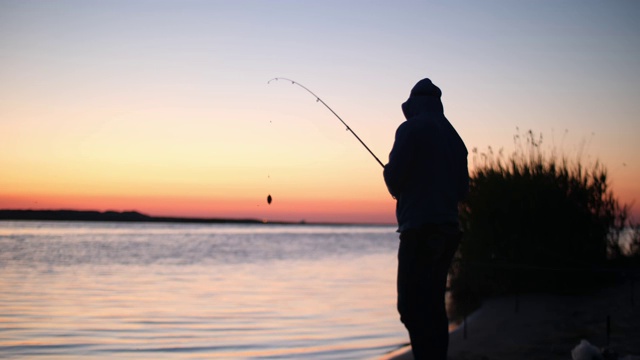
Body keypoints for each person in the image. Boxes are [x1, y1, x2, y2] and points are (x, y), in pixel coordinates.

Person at [383, 78, 469, 360]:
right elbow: (462, 191)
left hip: (418, 230)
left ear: (414, 105)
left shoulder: (410, 129)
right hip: (448, 232)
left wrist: (388, 171)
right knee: (433, 304)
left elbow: (394, 181)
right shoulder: (456, 139)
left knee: (409, 306)